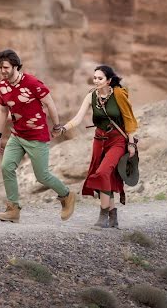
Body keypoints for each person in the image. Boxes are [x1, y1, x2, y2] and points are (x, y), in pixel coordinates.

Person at [0, 48, 76, 223]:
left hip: (37, 136)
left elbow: (50, 103)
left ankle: (67, 196)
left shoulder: (31, 83)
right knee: (6, 167)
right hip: (17, 135)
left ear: (15, 66)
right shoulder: (2, 86)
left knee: (42, 176)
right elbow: (2, 111)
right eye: (0, 67)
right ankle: (13, 210)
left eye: (5, 67)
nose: (2, 71)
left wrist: (56, 126)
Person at [56, 65, 138, 228]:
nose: (96, 81)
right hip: (99, 140)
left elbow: (129, 119)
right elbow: (79, 118)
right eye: (94, 78)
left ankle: (103, 216)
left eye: (100, 78)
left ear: (108, 80)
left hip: (117, 140)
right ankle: (113, 216)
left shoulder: (119, 94)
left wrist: (130, 143)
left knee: (102, 173)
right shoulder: (91, 96)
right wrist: (65, 127)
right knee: (106, 175)